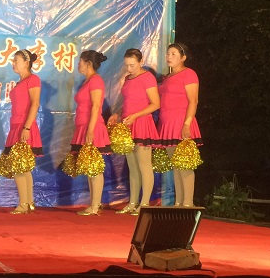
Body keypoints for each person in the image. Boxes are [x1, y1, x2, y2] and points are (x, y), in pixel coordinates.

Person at [108, 48, 160, 216]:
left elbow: (155, 104)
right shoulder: (128, 78)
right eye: (126, 65)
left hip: (142, 124)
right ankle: (132, 203)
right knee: (132, 166)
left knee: (144, 165)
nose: (129, 68)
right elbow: (128, 103)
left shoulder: (148, 77)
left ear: (140, 62)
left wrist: (136, 116)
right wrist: (117, 114)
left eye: (132, 65)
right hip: (128, 124)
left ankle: (144, 204)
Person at [157, 42, 202, 206]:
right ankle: (178, 202)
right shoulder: (166, 78)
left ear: (183, 57)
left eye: (173, 54)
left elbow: (193, 101)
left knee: (185, 165)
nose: (169, 57)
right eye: (168, 54)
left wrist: (187, 124)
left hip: (181, 122)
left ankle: (188, 203)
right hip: (167, 124)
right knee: (176, 165)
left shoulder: (189, 74)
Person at [71, 49, 111, 216]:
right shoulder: (87, 81)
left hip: (92, 127)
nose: (78, 64)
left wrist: (90, 129)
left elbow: (96, 106)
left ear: (88, 63)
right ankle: (94, 204)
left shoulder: (96, 80)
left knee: (95, 168)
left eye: (80, 61)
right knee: (90, 166)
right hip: (83, 126)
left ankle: (95, 205)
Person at [4, 49, 43, 214]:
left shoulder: (33, 79)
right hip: (16, 125)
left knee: (19, 166)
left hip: (24, 125)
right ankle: (28, 202)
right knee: (23, 167)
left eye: (16, 61)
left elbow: (35, 104)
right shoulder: (20, 82)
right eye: (13, 61)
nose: (13, 64)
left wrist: (27, 127)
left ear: (26, 63)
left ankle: (23, 203)